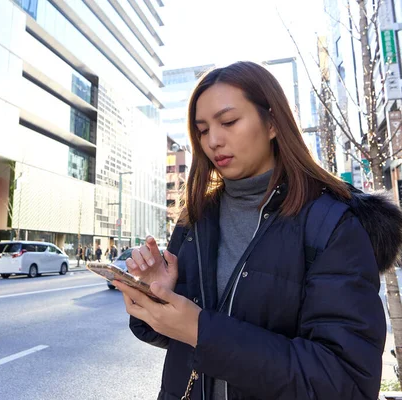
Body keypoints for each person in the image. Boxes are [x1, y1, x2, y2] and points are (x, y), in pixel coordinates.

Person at [113, 61, 402, 400]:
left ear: (273, 123)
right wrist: (156, 296)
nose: (213, 141)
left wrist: (202, 330)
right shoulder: (196, 218)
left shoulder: (331, 223)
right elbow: (180, 339)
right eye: (203, 129)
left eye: (229, 121)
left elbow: (343, 380)